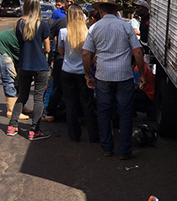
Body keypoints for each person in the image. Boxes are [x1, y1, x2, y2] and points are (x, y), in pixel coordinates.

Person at [82, 0, 145, 159]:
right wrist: (142, 74)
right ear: (116, 11)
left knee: (103, 112)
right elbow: (137, 52)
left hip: (103, 75)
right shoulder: (126, 26)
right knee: (125, 113)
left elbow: (86, 54)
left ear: (101, 11)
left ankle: (107, 148)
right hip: (124, 75)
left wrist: (88, 75)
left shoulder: (95, 28)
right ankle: (125, 151)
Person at [7, 0, 51, 140]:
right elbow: (48, 48)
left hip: (24, 64)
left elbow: (20, 44)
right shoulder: (42, 24)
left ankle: (12, 126)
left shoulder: (18, 24)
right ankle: (34, 130)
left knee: (22, 96)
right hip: (40, 65)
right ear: (37, 8)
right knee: (38, 98)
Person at [58, 4, 98, 142]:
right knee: (87, 104)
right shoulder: (88, 33)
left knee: (70, 104)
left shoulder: (63, 32)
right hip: (83, 72)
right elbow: (92, 54)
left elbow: (60, 51)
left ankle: (74, 135)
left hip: (67, 71)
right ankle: (93, 135)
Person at [0, 29, 30, 120]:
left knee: (17, 78)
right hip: (2, 48)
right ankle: (11, 110)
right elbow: (20, 56)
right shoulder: (26, 38)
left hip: (8, 45)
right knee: (9, 77)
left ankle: (19, 106)